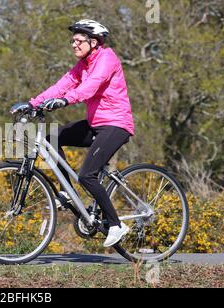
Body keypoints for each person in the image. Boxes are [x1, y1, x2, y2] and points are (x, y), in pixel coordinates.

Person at [29, 19, 135, 247]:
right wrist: (33, 104)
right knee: (52, 138)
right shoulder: (83, 64)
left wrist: (66, 100)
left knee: (87, 175)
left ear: (94, 42)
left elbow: (91, 86)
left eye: (79, 40)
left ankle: (116, 225)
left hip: (116, 124)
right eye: (73, 40)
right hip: (96, 123)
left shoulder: (107, 58)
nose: (74, 44)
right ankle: (65, 194)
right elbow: (62, 84)